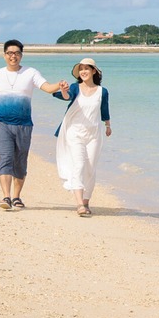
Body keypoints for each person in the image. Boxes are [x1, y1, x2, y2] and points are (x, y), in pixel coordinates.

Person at [0, 40, 69, 210]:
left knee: (20, 160)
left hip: (24, 124)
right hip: (2, 123)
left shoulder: (30, 73)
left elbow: (47, 88)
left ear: (21, 55)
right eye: (10, 53)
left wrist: (60, 84)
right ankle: (6, 197)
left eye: (17, 53)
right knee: (6, 157)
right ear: (4, 55)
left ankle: (16, 197)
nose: (13, 56)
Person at [52, 58, 111, 217]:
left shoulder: (102, 91)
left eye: (87, 68)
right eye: (81, 69)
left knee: (90, 167)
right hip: (74, 132)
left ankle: (86, 201)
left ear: (93, 71)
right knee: (79, 164)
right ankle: (79, 203)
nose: (83, 71)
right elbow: (67, 96)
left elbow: (104, 109)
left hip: (94, 134)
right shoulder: (74, 87)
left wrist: (108, 125)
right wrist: (64, 90)